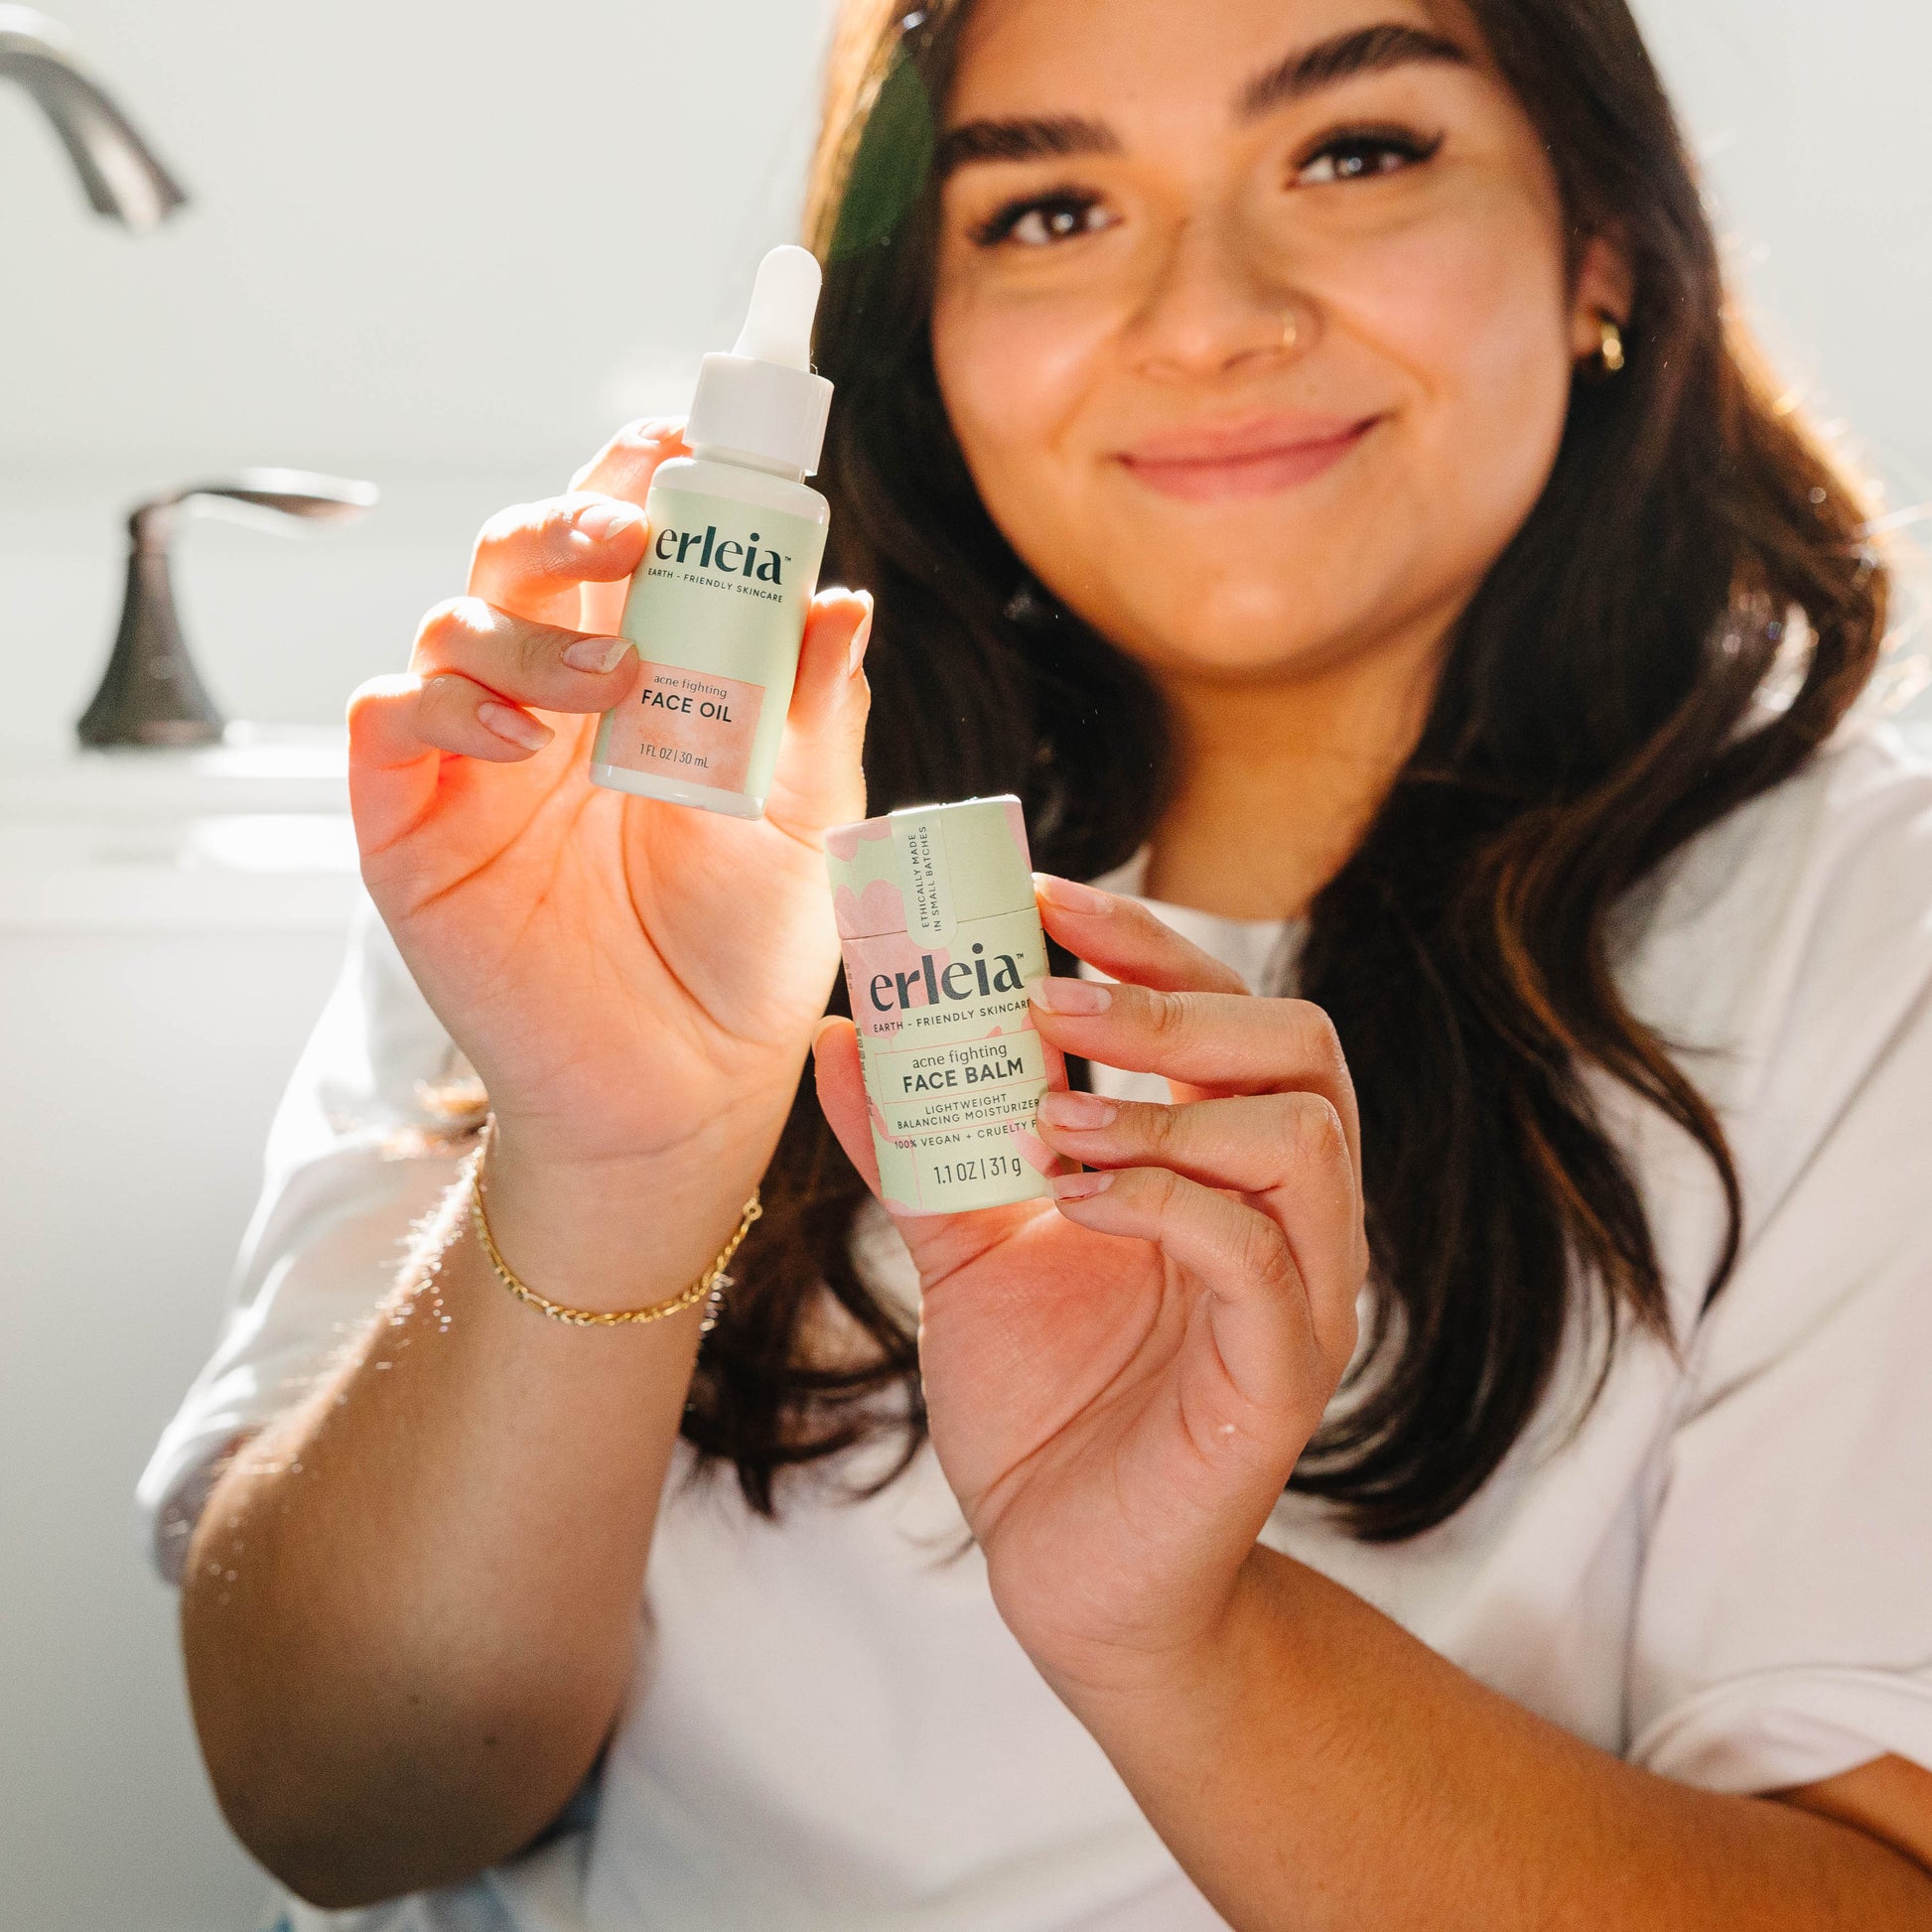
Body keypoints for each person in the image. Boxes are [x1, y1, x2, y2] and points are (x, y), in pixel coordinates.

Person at [142, 0, 1932, 1925]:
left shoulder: (1859, 919)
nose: (1206, 315)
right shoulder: (663, 807)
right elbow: (328, 1798)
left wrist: (1186, 1641)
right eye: (1051, 210)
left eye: (1352, 152)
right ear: (920, 320)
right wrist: (615, 1163)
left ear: (1600, 238)